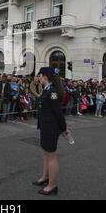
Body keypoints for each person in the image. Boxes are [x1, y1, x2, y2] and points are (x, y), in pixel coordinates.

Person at [33, 67, 69, 195]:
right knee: (46, 154)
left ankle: (52, 186)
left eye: (40, 75)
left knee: (51, 156)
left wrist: (64, 129)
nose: (38, 77)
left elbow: (58, 113)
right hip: (45, 126)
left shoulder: (52, 92)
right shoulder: (47, 90)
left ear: (45, 76)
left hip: (51, 127)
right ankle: (45, 177)